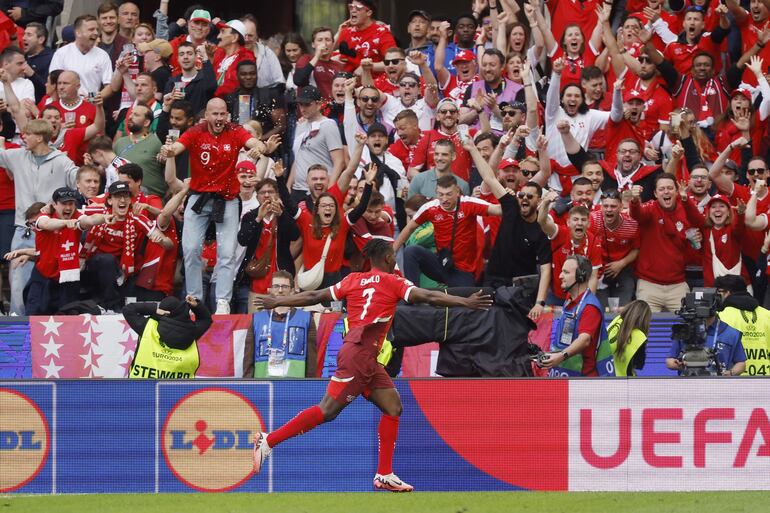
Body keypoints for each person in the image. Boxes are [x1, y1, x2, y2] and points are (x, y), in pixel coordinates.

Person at [251, 238, 493, 491]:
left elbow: (313, 294)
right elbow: (428, 295)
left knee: (393, 406)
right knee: (327, 411)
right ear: (388, 258)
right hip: (359, 356)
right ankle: (268, 441)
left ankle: (385, 474)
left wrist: (278, 301)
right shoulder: (394, 282)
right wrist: (465, 302)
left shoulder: (352, 280)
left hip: (363, 355)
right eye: (393, 256)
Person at [0, 119, 78, 315]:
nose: (23, 137)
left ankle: (47, 327)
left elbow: (79, 180)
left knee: (47, 284)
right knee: (17, 284)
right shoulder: (18, 156)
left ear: (40, 138)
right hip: (23, 229)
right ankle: (18, 326)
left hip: (52, 232)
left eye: (28, 134)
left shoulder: (61, 160)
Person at [395, 174, 501, 287]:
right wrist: (392, 251)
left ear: (457, 191)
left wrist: (506, 195)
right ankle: (411, 292)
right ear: (436, 192)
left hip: (463, 271)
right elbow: (409, 228)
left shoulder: (469, 203)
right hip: (441, 264)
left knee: (463, 301)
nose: (444, 199)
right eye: (440, 194)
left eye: (449, 194)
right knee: (411, 251)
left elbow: (499, 210)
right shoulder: (430, 208)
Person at [23, 187, 109, 314]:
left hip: (68, 276)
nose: (68, 208)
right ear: (54, 204)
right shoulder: (44, 215)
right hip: (44, 275)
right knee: (34, 314)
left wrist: (104, 219)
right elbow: (47, 224)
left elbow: (89, 220)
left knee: (67, 318)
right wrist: (66, 223)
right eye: (64, 204)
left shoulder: (77, 216)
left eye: (71, 203)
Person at [540, 254, 615, 377]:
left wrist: (561, 356)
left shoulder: (589, 306)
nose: (560, 276)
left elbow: (584, 340)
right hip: (568, 377)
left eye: (565, 272)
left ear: (581, 276)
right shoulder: (569, 301)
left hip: (583, 383)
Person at [125, 295, 212, 379]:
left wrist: (154, 309)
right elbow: (206, 319)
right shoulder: (193, 331)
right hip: (178, 390)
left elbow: (128, 309)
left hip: (141, 388)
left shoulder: (148, 327)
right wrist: (196, 306)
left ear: (162, 312)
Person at [252, 271, 317, 378]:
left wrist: (309, 384)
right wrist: (248, 384)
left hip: (295, 385)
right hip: (262, 386)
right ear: (270, 290)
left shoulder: (306, 318)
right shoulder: (256, 319)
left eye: (285, 287)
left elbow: (312, 358)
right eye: (276, 286)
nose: (280, 290)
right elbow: (248, 359)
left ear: (292, 291)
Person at [665, 297, 747, 377]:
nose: (702, 322)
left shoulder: (730, 333)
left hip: (719, 383)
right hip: (688, 382)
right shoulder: (685, 331)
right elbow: (669, 361)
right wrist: (676, 365)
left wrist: (731, 373)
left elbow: (741, 363)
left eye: (706, 318)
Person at [714, 274, 770, 376]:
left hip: (735, 378)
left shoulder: (720, 317)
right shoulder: (767, 315)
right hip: (766, 377)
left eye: (719, 292)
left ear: (728, 293)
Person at [49, 15, 113, 95]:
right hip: (65, 103)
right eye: (91, 29)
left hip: (90, 103)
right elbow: (53, 82)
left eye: (97, 29)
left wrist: (92, 99)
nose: (96, 33)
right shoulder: (61, 53)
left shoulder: (102, 55)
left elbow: (109, 86)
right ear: (78, 33)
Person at [607, 299, 651, 377]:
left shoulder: (616, 321)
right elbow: (639, 365)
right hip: (626, 381)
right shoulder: (639, 336)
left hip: (605, 376)